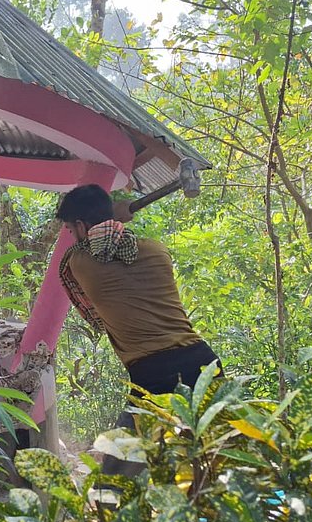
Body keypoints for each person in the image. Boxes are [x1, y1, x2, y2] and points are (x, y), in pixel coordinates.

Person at [56, 184, 220, 473]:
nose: (72, 235)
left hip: (153, 374)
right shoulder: (157, 251)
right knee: (213, 465)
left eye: (71, 229)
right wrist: (116, 217)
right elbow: (113, 247)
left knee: (117, 477)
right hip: (203, 364)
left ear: (81, 226)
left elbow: (92, 306)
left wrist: (113, 218)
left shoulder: (78, 263)